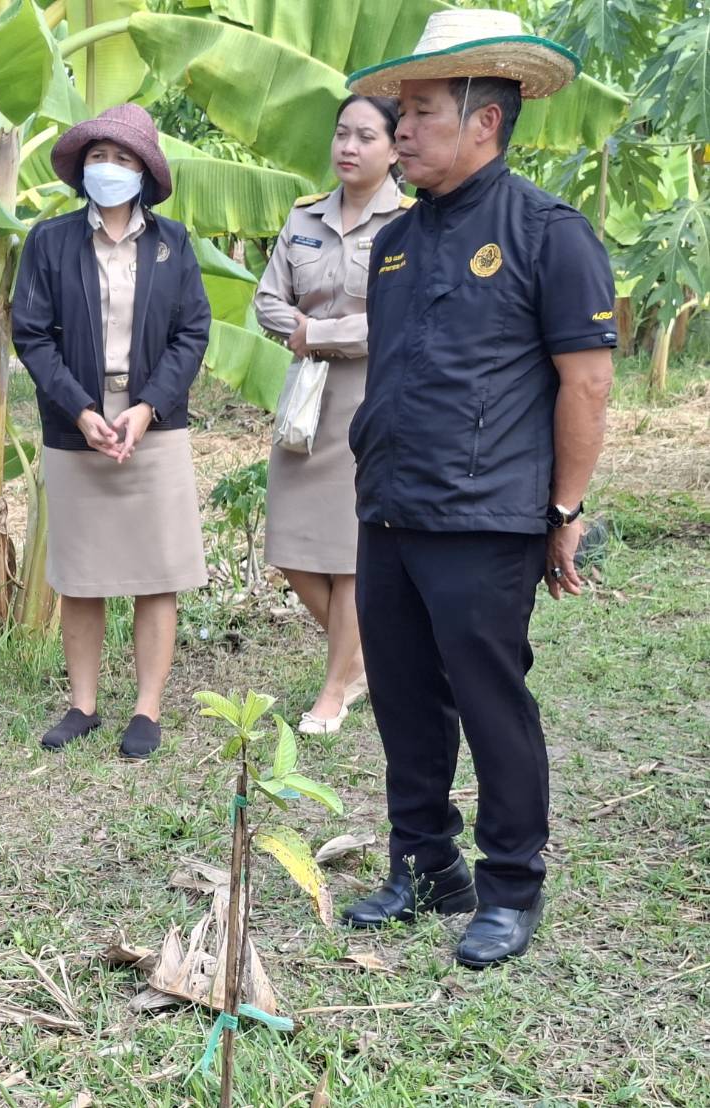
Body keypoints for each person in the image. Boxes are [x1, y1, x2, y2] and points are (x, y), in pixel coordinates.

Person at [340, 11, 617, 968]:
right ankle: (424, 867)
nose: (401, 128)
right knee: (403, 699)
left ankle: (508, 885)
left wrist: (564, 511)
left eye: (420, 111)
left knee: (490, 701)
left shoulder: (547, 233)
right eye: (400, 111)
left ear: (484, 121)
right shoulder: (395, 242)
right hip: (389, 505)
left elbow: (585, 382)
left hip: (485, 513)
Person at [13, 104, 212, 760]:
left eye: (122, 158)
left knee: (158, 570)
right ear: (82, 169)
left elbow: (192, 332)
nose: (109, 168)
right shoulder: (50, 241)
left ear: (144, 171)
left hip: (153, 422)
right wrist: (80, 409)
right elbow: (31, 335)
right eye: (98, 156)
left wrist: (148, 407)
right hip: (78, 424)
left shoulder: (172, 243)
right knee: (82, 572)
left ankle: (147, 708)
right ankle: (82, 704)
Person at [254, 95, 412, 736]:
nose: (349, 146)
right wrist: (303, 330)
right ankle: (367, 658)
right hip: (306, 396)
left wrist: (319, 331)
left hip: (370, 397)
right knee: (290, 544)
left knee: (351, 552)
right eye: (342, 133)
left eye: (366, 136)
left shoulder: (408, 224)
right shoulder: (305, 217)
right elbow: (268, 300)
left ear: (395, 149)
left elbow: (400, 318)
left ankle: (334, 688)